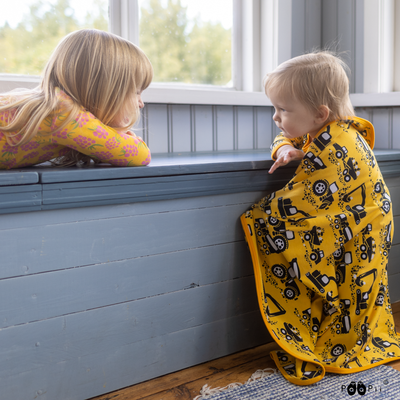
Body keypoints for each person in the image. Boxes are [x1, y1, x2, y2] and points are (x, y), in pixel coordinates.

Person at [240, 51, 400, 385]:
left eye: (282, 109)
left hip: (366, 224)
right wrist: (286, 148)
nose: (275, 117)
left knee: (354, 285)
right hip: (355, 218)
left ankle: (347, 339)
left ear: (320, 113)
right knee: (341, 280)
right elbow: (291, 136)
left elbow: (305, 201)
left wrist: (263, 216)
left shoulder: (342, 145)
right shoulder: (322, 129)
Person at [0, 29, 152, 169]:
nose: (141, 103)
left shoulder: (58, 107)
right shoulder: (64, 114)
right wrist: (123, 137)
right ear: (102, 91)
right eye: (136, 92)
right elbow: (139, 155)